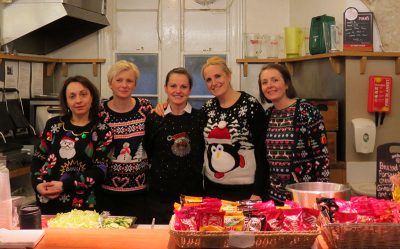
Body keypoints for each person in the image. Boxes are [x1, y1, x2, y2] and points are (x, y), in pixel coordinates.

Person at [31, 75, 113, 214]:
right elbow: (39, 157)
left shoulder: (102, 131)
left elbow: (99, 171)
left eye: (83, 94)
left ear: (92, 97)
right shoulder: (53, 125)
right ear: (66, 101)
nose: (78, 100)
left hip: (84, 206)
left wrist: (64, 185)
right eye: (72, 96)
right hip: (49, 201)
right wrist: (37, 184)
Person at [258, 63, 329, 205]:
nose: (269, 85)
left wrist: (322, 194)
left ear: (286, 84)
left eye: (275, 80)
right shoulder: (267, 115)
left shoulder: (306, 110)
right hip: (273, 198)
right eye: (264, 82)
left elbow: (321, 156)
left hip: (303, 197)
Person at [201, 57, 268, 201]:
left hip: (246, 191)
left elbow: (262, 151)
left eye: (218, 76)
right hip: (212, 190)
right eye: (208, 79)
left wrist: (258, 191)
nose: (214, 83)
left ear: (229, 75)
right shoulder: (207, 108)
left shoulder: (250, 105)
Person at [144, 67, 204, 224]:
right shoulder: (154, 118)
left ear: (190, 90)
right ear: (165, 88)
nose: (178, 91)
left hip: (192, 197)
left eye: (183, 86)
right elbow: (149, 151)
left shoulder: (200, 118)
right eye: (173, 86)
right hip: (159, 198)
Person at [99, 60, 152, 223]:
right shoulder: (100, 112)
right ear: (110, 83)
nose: (124, 85)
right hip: (106, 192)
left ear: (135, 84)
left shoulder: (145, 108)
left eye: (129, 80)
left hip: (139, 192)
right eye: (119, 80)